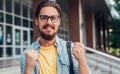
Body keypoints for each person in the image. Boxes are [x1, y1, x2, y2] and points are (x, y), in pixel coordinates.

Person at [20, 0, 89, 74]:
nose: (49, 22)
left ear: (59, 21)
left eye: (53, 18)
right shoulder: (27, 55)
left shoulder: (70, 49)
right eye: (43, 17)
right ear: (37, 21)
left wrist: (82, 60)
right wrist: (28, 69)